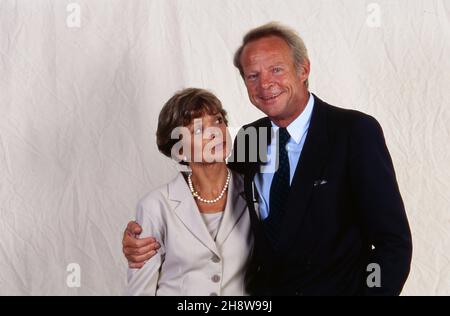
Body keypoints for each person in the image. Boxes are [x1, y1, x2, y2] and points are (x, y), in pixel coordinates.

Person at [123, 22, 412, 296]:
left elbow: (393, 243)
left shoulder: (354, 131)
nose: (265, 84)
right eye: (253, 75)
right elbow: (214, 193)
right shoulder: (251, 137)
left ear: (303, 69)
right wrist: (142, 239)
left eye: (276, 69)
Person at [124, 88, 253, 296]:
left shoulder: (255, 191)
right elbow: (140, 291)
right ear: (180, 150)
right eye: (199, 130)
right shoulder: (155, 206)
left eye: (218, 120)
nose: (215, 133)